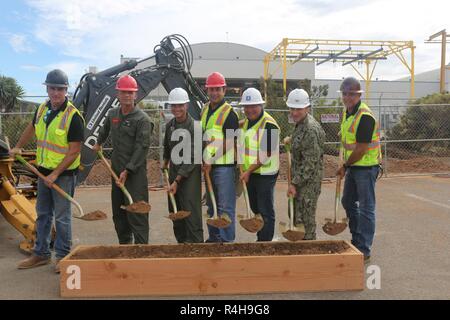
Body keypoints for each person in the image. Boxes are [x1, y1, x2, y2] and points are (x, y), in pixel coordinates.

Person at [10, 69, 84, 273]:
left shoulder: (73, 117)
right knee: (42, 214)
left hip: (64, 175)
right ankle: (41, 253)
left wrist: (55, 174)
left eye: (60, 89)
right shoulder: (42, 109)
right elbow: (31, 128)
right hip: (43, 172)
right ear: (47, 89)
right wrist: (18, 146)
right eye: (52, 88)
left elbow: (74, 152)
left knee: (62, 217)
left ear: (66, 90)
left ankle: (63, 256)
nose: (56, 93)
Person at [93, 74, 152, 244]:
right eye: (123, 92)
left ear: (136, 94)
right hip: (116, 172)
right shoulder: (113, 114)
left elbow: (142, 148)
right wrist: (98, 143)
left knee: (137, 211)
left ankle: (141, 249)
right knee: (119, 212)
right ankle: (125, 245)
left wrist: (128, 170)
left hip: (135, 175)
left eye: (130, 92)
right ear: (117, 94)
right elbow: (104, 130)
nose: (127, 95)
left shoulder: (142, 119)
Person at [336, 77, 381, 263]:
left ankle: (364, 248)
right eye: (345, 94)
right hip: (354, 166)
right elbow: (348, 141)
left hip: (366, 167)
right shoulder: (348, 112)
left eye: (351, 94)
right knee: (347, 201)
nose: (347, 97)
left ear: (358, 94)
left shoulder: (365, 117)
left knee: (366, 208)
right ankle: (357, 237)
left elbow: (361, 148)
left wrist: (345, 166)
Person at [201, 72, 239, 242]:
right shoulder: (205, 109)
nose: (214, 93)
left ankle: (227, 241)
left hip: (224, 167)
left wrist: (211, 159)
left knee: (225, 207)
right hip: (208, 166)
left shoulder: (230, 113)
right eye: (211, 89)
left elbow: (230, 142)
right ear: (206, 90)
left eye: (218, 89)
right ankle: (214, 238)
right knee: (211, 205)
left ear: (224, 90)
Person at [162, 88, 203, 243]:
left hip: (189, 176)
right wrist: (165, 160)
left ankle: (196, 246)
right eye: (174, 105)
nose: (177, 109)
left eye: (180, 105)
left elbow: (193, 157)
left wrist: (177, 181)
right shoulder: (170, 125)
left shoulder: (196, 127)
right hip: (173, 173)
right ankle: (182, 245)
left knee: (191, 212)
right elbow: (167, 146)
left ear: (186, 105)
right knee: (175, 211)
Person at [238, 88, 280, 241]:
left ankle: (265, 242)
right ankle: (261, 237)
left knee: (265, 210)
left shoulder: (270, 125)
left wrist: (247, 171)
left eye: (253, 106)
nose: (249, 110)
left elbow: (265, 154)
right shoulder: (247, 122)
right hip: (251, 172)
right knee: (255, 208)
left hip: (265, 173)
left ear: (261, 106)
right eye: (246, 107)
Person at [286, 89, 325, 240]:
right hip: (300, 181)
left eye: (298, 109)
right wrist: (292, 139)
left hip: (307, 184)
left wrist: (294, 184)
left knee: (306, 221)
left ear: (307, 108)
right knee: (296, 216)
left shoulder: (310, 129)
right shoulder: (301, 124)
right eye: (292, 109)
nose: (294, 113)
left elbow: (310, 165)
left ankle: (309, 253)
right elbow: (303, 146)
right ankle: (300, 252)